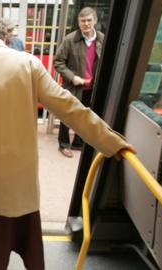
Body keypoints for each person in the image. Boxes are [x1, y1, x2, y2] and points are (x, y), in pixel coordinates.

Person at [0, 9, 134, 270]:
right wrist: (111, 142)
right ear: (4, 35)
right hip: (19, 186)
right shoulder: (29, 64)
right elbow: (70, 108)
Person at [54, 7, 104, 158]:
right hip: (73, 86)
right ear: (78, 22)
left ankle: (78, 142)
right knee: (67, 117)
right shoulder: (70, 39)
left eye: (89, 20)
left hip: (92, 87)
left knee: (85, 117)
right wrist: (72, 77)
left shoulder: (102, 38)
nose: (86, 24)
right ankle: (64, 145)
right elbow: (58, 62)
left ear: (95, 21)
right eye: (83, 21)